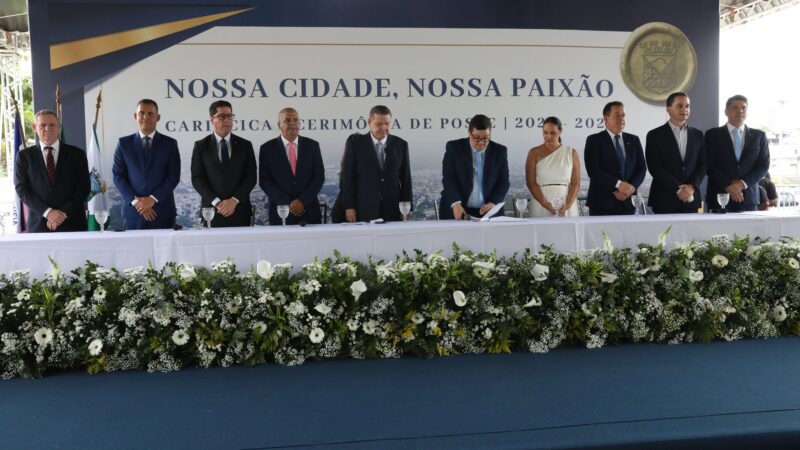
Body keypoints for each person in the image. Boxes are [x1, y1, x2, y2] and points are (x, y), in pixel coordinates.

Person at [14, 110, 90, 232]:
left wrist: (61, 214)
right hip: (39, 225)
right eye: (42, 125)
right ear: (34, 127)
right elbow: (22, 189)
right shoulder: (24, 156)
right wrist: (48, 213)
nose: (47, 129)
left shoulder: (77, 154)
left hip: (73, 224)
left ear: (59, 127)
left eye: (52, 125)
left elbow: (84, 188)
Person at [112, 99, 181, 229]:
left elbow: (173, 177)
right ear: (135, 116)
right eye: (142, 113)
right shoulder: (123, 144)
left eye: (150, 114)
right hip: (134, 212)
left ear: (158, 117)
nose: (146, 117)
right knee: (134, 249)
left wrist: (152, 199)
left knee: (166, 250)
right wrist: (137, 203)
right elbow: (118, 176)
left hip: (163, 212)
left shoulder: (170, 144)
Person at [341, 105, 412, 222]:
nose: (384, 127)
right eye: (379, 124)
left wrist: (407, 209)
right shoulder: (355, 145)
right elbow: (348, 179)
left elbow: (406, 180)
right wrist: (349, 207)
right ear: (369, 122)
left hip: (393, 209)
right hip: (363, 209)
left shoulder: (401, 145)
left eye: (387, 123)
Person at [191, 100, 256, 227]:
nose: (226, 120)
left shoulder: (245, 145)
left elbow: (251, 177)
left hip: (239, 210)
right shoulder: (201, 146)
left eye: (229, 116)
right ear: (211, 119)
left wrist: (234, 201)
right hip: (211, 211)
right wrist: (217, 203)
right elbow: (197, 178)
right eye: (222, 116)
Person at [259, 107, 325, 225]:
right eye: (287, 120)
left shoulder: (312, 146)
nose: (292, 123)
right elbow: (265, 181)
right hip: (280, 212)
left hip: (309, 210)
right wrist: (288, 203)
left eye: (295, 119)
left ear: (299, 123)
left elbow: (318, 177)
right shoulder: (267, 149)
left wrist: (302, 201)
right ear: (279, 125)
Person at [705, 95, 770, 212]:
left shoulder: (759, 136)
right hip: (720, 197)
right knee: (718, 231)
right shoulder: (712, 135)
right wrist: (729, 186)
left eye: (744, 108)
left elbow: (763, 165)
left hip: (749, 198)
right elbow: (709, 164)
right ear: (726, 111)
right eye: (735, 108)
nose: (740, 111)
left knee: (749, 231)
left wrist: (741, 184)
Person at [644, 92, 706, 214]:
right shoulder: (654, 135)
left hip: (690, 198)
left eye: (687, 106)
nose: (684, 109)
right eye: (679, 106)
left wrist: (691, 187)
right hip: (664, 198)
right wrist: (679, 189)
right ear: (668, 109)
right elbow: (655, 167)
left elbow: (703, 164)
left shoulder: (698, 135)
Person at [439, 114, 509, 220]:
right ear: (469, 133)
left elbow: (504, 182)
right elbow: (449, 179)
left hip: (488, 213)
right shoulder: (454, 148)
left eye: (486, 138)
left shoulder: (499, 151)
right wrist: (456, 203)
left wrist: (493, 203)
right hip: (458, 209)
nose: (481, 143)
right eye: (477, 138)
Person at [584, 101, 646, 215]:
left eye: (623, 115)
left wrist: (629, 189)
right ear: (606, 118)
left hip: (628, 201)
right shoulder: (594, 140)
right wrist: (618, 185)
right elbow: (593, 170)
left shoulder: (633, 140)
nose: (621, 118)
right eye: (617, 115)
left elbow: (641, 168)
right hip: (602, 203)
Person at [525, 116, 580, 217]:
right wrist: (544, 203)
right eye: (545, 132)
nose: (548, 136)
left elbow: (576, 183)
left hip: (566, 203)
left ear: (560, 131)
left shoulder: (571, 153)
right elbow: (531, 182)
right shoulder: (534, 152)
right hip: (540, 203)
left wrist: (568, 203)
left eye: (553, 133)